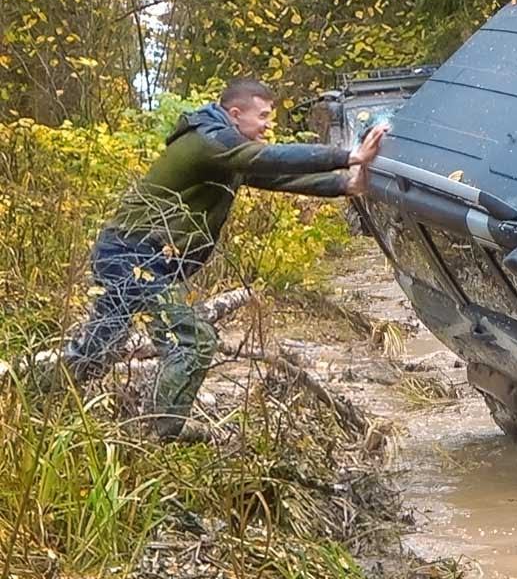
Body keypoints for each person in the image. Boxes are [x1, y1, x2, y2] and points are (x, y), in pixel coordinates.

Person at [61, 77, 389, 437]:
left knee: (99, 348)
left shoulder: (225, 148)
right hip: (134, 253)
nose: (267, 125)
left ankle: (34, 396)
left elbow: (276, 176)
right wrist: (348, 156)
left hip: (129, 251)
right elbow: (270, 158)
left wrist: (344, 184)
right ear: (235, 113)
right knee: (193, 341)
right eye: (262, 116)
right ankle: (160, 433)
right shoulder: (210, 141)